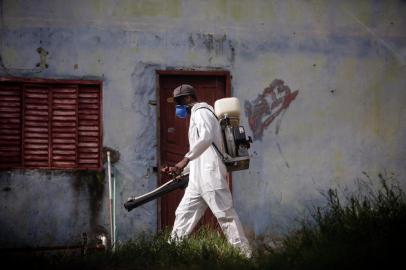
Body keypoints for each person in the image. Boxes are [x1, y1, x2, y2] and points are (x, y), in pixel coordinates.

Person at [161, 84, 252, 258]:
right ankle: (170, 253)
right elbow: (201, 150)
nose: (177, 107)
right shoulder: (196, 115)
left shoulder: (201, 111)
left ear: (188, 98)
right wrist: (181, 168)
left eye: (179, 101)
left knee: (226, 216)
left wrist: (184, 159)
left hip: (211, 174)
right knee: (183, 214)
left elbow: (206, 137)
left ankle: (245, 256)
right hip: (197, 177)